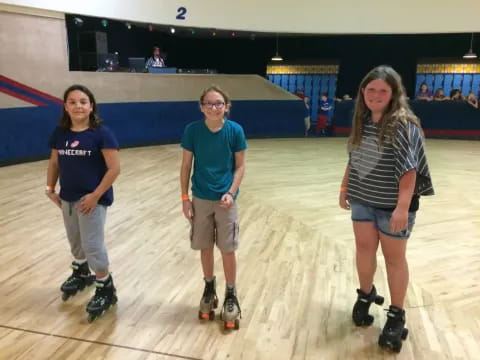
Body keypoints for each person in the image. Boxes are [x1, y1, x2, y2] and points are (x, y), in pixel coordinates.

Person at [338, 66, 434, 352]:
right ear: (363, 93)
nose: (376, 95)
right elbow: (355, 158)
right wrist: (345, 188)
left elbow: (410, 169)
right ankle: (366, 294)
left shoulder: (404, 124)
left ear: (394, 94)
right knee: (364, 250)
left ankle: (396, 313)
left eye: (383, 90)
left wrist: (402, 208)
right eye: (371, 90)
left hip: (392, 207)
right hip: (362, 200)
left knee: (394, 260)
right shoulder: (362, 119)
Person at [46, 84, 120, 322]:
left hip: (92, 199)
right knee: (75, 240)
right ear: (65, 106)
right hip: (67, 196)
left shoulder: (101, 133)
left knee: (93, 245)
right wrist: (50, 188)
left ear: (91, 106)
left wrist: (96, 195)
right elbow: (55, 163)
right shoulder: (61, 134)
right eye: (72, 101)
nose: (78, 106)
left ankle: (105, 287)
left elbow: (114, 168)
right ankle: (81, 273)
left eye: (83, 102)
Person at [180, 85, 247, 329]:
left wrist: (231, 192)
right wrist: (184, 198)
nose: (214, 107)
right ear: (201, 107)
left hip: (226, 200)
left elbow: (240, 166)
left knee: (227, 248)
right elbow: (186, 166)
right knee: (205, 246)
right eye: (208, 103)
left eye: (219, 103)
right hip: (200, 197)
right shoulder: (192, 131)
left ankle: (231, 293)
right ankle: (209, 287)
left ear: (226, 106)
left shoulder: (235, 131)